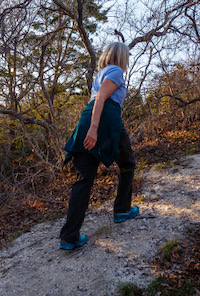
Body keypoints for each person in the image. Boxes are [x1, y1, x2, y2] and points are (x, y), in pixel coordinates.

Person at [59, 42, 139, 250]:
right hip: (104, 122)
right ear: (121, 57)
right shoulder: (115, 71)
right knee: (128, 163)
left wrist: (91, 126)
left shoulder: (100, 73)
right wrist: (94, 129)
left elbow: (97, 99)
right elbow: (102, 99)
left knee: (84, 179)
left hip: (90, 118)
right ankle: (121, 209)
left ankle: (69, 237)